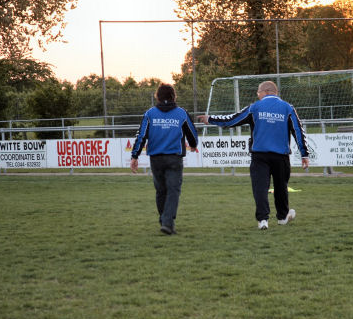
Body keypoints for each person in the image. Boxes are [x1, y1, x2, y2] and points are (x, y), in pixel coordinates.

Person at [197, 80, 309, 230]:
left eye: (258, 92)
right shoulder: (288, 108)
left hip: (259, 155)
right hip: (281, 156)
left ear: (265, 91)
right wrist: (304, 154)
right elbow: (298, 130)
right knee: (281, 186)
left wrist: (211, 119)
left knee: (260, 188)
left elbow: (232, 119)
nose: (258, 95)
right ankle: (282, 217)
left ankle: (263, 220)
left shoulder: (254, 107)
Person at [130, 84, 198, 235]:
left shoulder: (150, 114)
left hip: (156, 158)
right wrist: (193, 145)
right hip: (174, 158)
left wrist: (135, 156)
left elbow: (141, 136)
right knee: (173, 190)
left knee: (161, 191)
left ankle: (164, 219)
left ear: (157, 97)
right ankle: (167, 222)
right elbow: (192, 132)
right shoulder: (181, 113)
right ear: (174, 96)